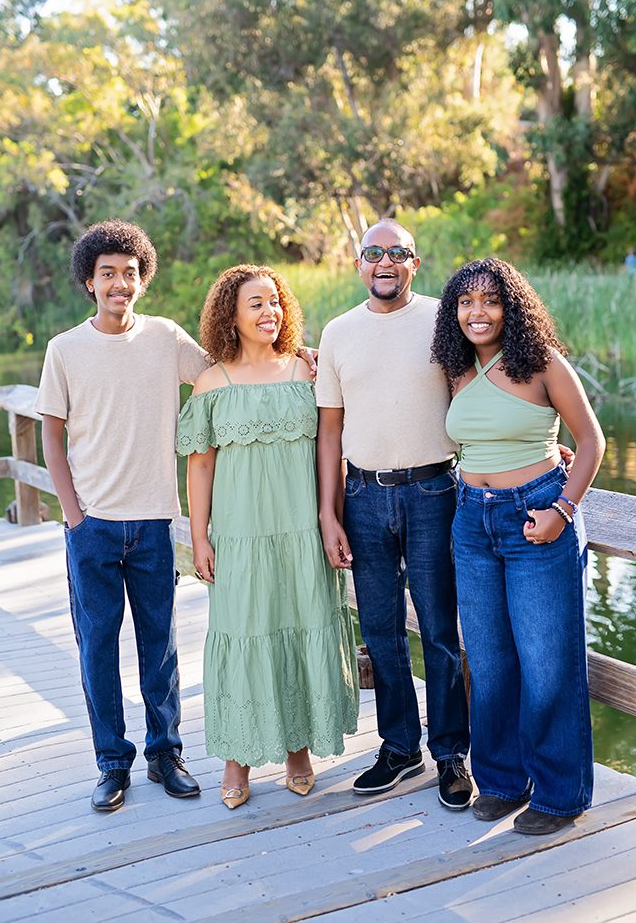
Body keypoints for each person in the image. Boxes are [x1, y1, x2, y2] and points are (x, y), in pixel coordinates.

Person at [36, 220, 205, 812]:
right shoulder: (64, 350)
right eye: (108, 273)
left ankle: (166, 753)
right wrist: (75, 515)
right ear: (90, 280)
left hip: (155, 522)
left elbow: (223, 373)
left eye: (130, 274)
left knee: (160, 645)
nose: (120, 284)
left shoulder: (165, 337)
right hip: (94, 528)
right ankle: (112, 763)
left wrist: (294, 356)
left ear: (142, 280)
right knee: (98, 648)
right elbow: (51, 441)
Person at [432, 257, 605, 835]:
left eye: (490, 301)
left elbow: (590, 441)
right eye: (465, 302)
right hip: (471, 520)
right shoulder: (457, 369)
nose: (477, 313)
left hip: (536, 517)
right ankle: (504, 781)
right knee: (489, 660)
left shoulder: (541, 363)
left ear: (512, 308)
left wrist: (562, 511)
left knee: (547, 663)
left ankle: (561, 795)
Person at [176, 264, 358, 810]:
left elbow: (339, 440)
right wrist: (199, 536)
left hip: (303, 528)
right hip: (240, 534)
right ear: (230, 312)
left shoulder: (308, 371)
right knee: (245, 631)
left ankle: (299, 747)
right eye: (255, 303)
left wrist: (332, 517)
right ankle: (238, 758)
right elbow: (200, 467)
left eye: (275, 301)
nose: (268, 312)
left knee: (302, 624)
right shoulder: (213, 382)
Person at [315, 219, 473, 809]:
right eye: (373, 254)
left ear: (414, 262)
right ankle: (400, 749)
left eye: (397, 253)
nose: (385, 263)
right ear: (358, 265)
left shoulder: (442, 319)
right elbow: (329, 433)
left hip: (434, 492)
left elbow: (477, 393)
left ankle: (451, 755)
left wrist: (540, 441)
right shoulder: (338, 332)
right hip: (361, 496)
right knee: (380, 630)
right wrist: (330, 515)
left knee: (439, 629)